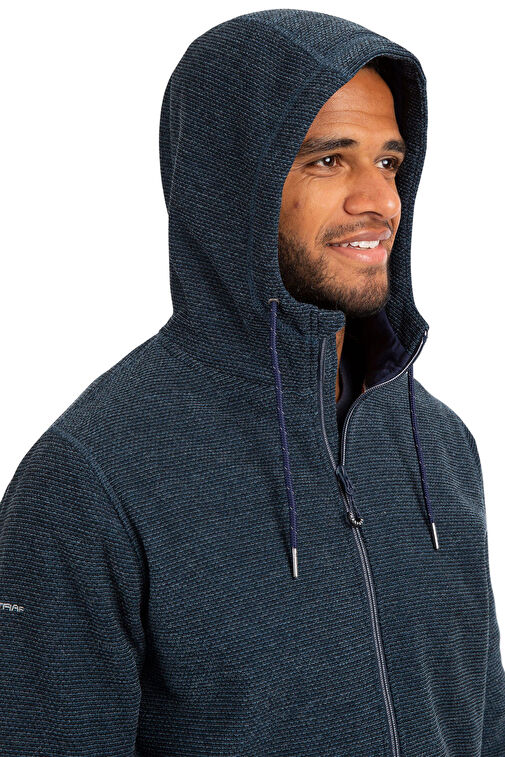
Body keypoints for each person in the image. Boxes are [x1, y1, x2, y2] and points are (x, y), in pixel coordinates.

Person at [0, 8, 504, 755]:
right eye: (328, 160)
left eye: (388, 163)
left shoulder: (439, 445)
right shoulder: (91, 477)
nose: (378, 201)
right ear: (232, 184)